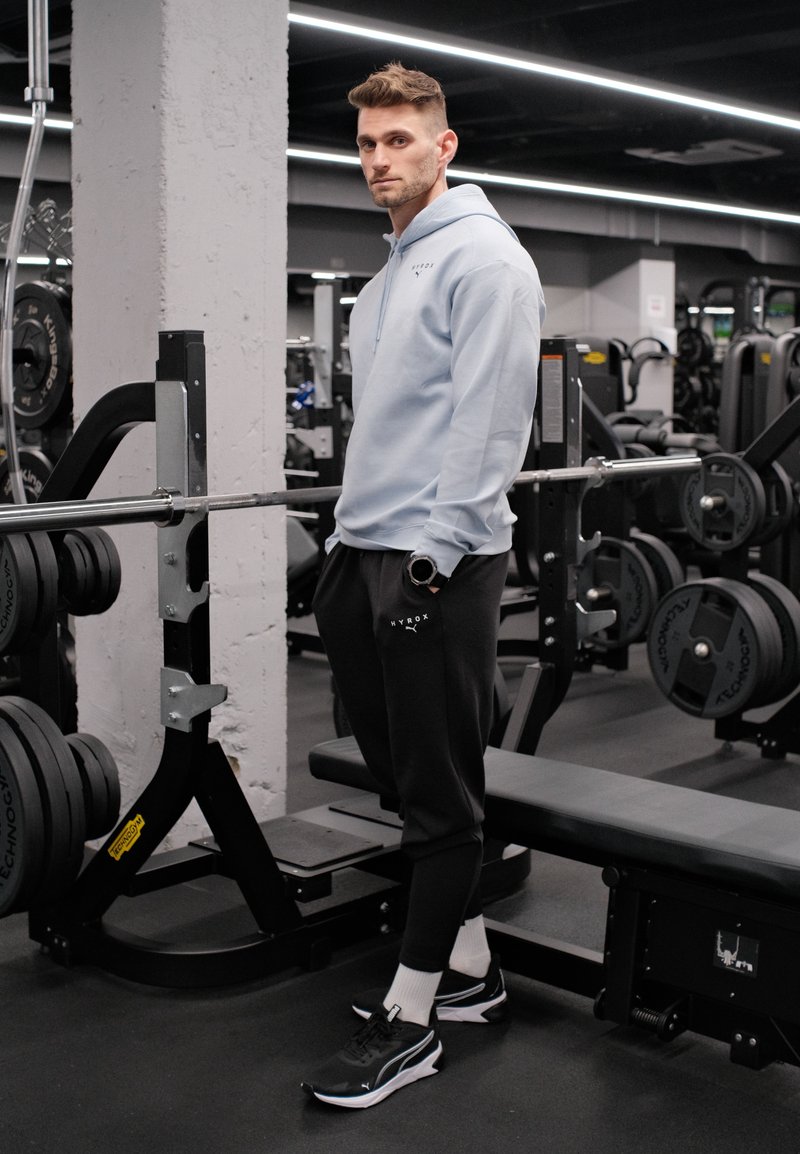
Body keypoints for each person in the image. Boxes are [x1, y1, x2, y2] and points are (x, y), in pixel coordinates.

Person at [302, 61, 546, 1109]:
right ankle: (473, 972)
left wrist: (429, 560)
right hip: (364, 553)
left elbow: (488, 427)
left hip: (431, 563)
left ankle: (411, 1022)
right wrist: (344, 547)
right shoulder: (390, 271)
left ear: (442, 146)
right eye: (364, 144)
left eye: (397, 140)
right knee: (399, 777)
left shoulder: (484, 263)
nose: (376, 160)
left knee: (440, 797)